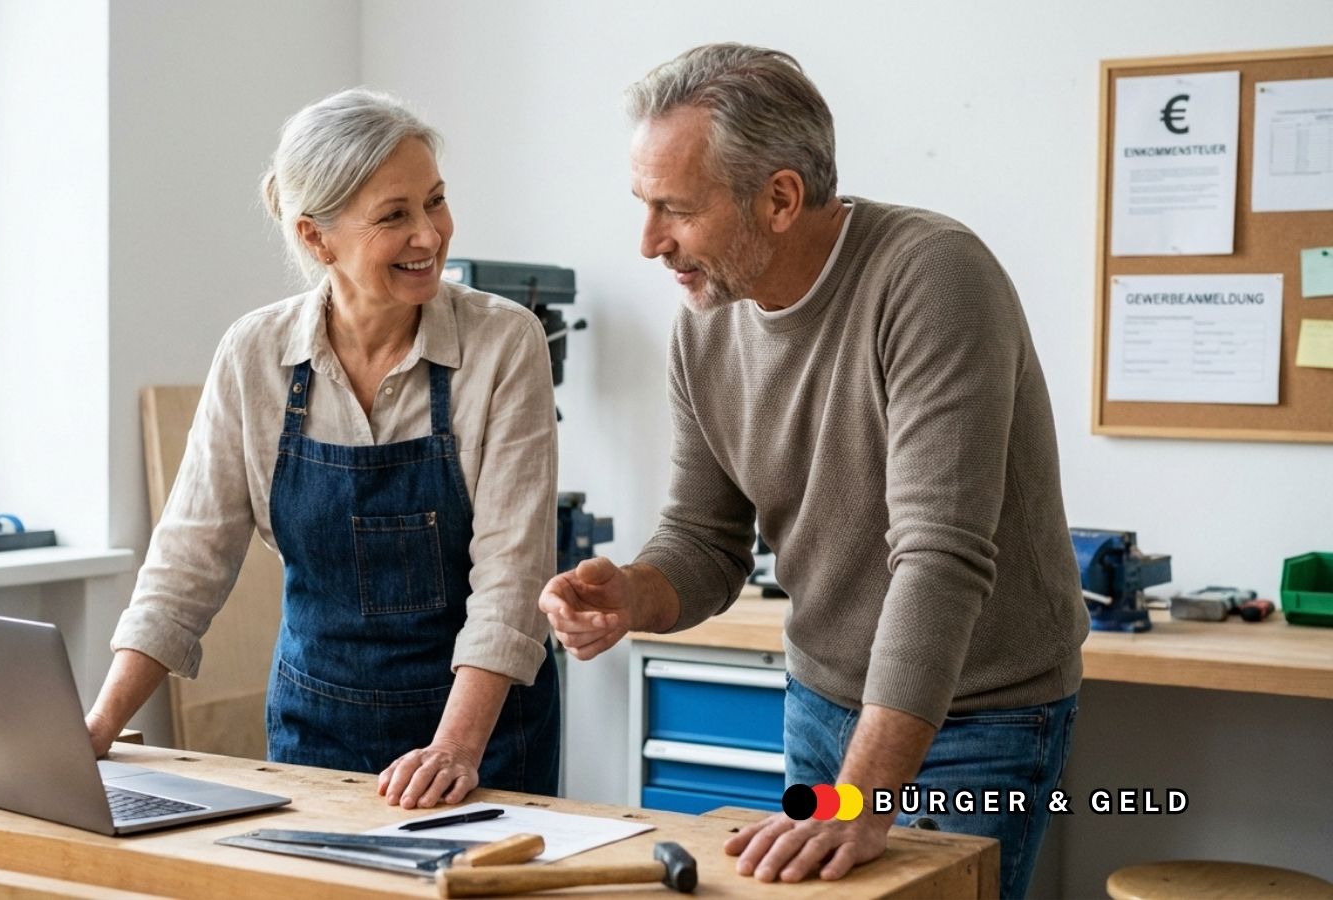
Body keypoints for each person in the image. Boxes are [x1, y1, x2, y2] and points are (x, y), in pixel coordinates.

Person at [540, 44, 1088, 898]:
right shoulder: (708, 319)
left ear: (782, 197)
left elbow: (938, 559)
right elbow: (705, 540)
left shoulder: (935, 276)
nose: (648, 243)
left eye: (674, 209)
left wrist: (862, 794)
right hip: (821, 700)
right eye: (643, 207)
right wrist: (633, 593)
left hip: (977, 715)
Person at [89, 88, 561, 808]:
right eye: (394, 216)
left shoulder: (504, 343)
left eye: (435, 201)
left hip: (481, 737)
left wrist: (454, 750)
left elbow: (511, 577)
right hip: (318, 731)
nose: (430, 235)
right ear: (316, 238)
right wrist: (98, 726)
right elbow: (187, 560)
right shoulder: (256, 354)